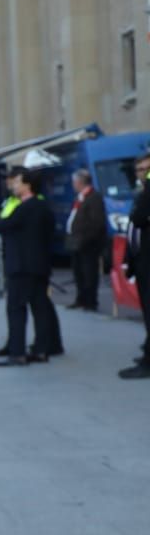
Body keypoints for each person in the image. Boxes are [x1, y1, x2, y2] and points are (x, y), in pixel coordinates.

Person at [0, 167, 61, 366]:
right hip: (39, 265)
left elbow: (3, 225)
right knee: (39, 307)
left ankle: (17, 353)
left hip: (21, 265)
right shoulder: (43, 207)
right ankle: (40, 350)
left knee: (16, 308)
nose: (13, 186)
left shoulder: (25, 208)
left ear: (28, 185)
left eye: (17, 182)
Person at [120, 151, 150, 378]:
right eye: (139, 170)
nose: (143, 174)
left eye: (147, 170)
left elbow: (139, 218)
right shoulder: (142, 192)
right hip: (141, 261)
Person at [65, 168, 107, 311]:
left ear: (80, 182)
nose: (73, 184)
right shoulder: (80, 197)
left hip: (88, 243)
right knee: (78, 272)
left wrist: (85, 237)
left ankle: (90, 301)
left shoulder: (94, 197)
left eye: (74, 182)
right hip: (76, 241)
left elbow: (97, 222)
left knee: (89, 272)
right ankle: (81, 298)